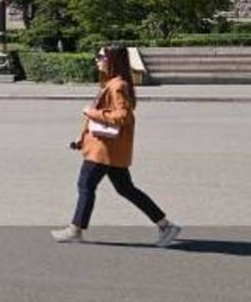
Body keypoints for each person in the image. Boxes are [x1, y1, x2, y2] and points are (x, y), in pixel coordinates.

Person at [52, 44, 182, 246]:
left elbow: (124, 116)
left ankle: (75, 229)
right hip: (108, 148)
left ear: (113, 60)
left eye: (101, 56)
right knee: (126, 189)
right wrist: (82, 139)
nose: (97, 60)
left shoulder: (117, 86)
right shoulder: (113, 83)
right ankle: (166, 225)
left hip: (104, 150)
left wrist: (90, 112)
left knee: (86, 185)